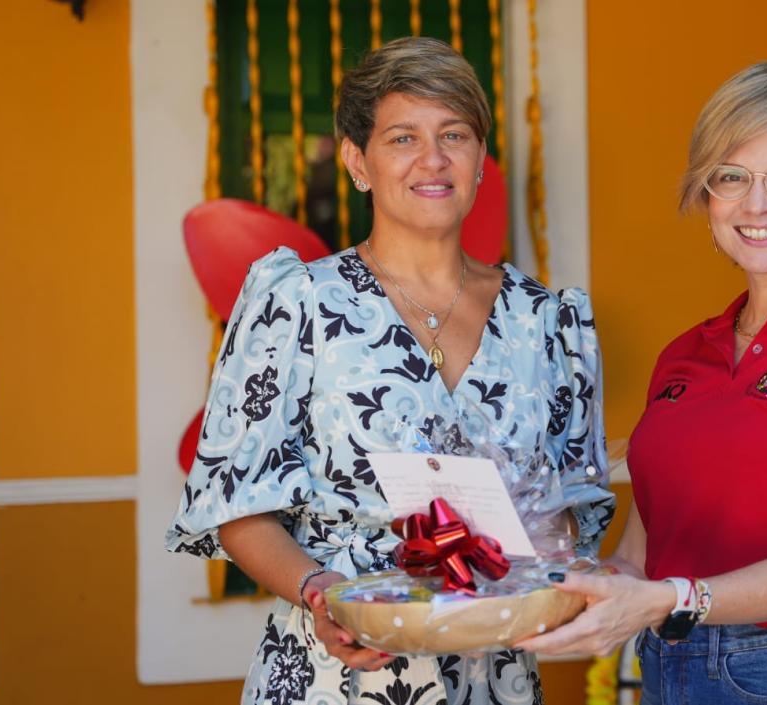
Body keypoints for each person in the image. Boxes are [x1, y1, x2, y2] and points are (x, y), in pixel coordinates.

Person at [167, 36, 615, 705]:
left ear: (480, 159)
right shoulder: (297, 303)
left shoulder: (548, 321)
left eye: (454, 134)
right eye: (403, 137)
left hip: (493, 677)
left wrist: (527, 540)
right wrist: (321, 592)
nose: (432, 160)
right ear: (357, 160)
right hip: (333, 675)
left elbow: (575, 512)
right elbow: (239, 502)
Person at [516, 62, 767, 704]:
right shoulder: (686, 354)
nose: (756, 203)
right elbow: (647, 552)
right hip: (671, 666)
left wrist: (671, 598)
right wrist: (549, 578)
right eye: (731, 177)